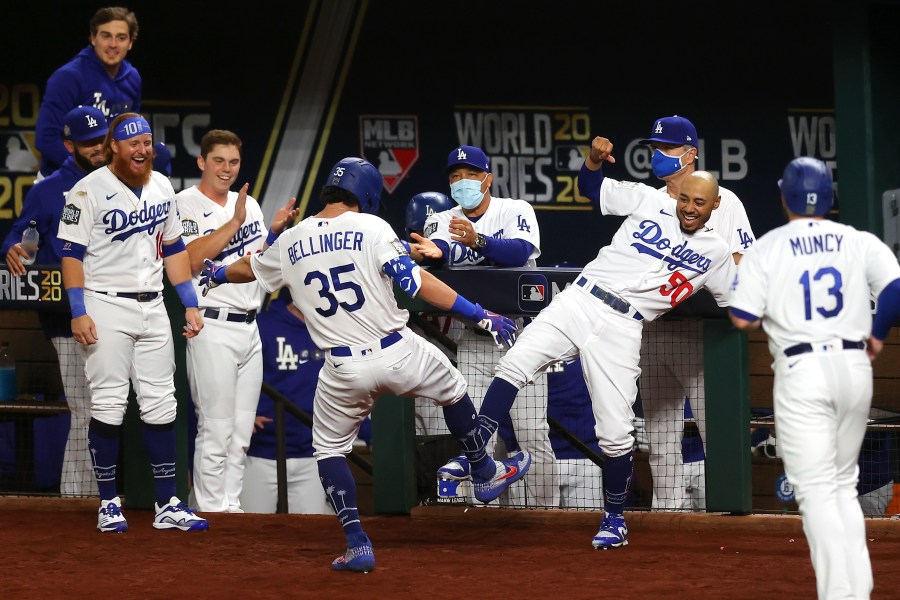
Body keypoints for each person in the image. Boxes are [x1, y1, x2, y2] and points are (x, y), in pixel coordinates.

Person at [199, 156, 529, 572]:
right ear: (367, 193)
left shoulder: (291, 239)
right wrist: (482, 314)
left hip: (341, 369)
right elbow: (417, 283)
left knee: (329, 450)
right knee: (455, 390)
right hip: (398, 352)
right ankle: (483, 470)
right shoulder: (372, 227)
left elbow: (250, 267)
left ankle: (357, 543)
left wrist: (217, 274)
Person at [460, 134, 735, 549]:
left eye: (700, 202)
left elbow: (741, 303)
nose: (689, 208)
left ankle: (614, 519)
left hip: (624, 326)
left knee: (616, 432)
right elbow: (591, 187)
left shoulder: (717, 253)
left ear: (715, 205)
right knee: (513, 364)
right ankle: (479, 458)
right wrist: (593, 161)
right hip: (581, 297)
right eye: (685, 200)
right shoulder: (647, 200)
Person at [729, 156, 900, 599]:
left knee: (817, 493)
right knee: (842, 485)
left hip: (803, 372)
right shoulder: (859, 240)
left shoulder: (768, 247)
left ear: (784, 196)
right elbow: (896, 289)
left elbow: (742, 317)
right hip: (854, 369)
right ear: (830, 197)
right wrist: (878, 336)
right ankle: (856, 591)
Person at [57, 112, 208, 533]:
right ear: (114, 149)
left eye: (147, 142)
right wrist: (78, 310)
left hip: (154, 304)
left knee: (162, 404)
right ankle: (108, 503)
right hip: (105, 304)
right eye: (133, 144)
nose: (142, 150)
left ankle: (168, 504)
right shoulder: (86, 191)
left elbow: (175, 247)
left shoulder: (162, 186)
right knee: (108, 404)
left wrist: (190, 303)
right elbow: (70, 255)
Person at [411, 145, 559, 508]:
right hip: (474, 340)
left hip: (522, 338)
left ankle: (548, 516)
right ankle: (472, 517)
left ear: (487, 178)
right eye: (455, 176)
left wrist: (477, 239)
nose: (462, 182)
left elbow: (519, 251)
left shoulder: (515, 209)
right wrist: (438, 251)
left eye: (471, 174)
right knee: (471, 438)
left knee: (532, 434)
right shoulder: (443, 218)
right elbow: (442, 247)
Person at [635, 115, 755, 511]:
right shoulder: (650, 202)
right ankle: (667, 520)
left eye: (667, 149)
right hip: (655, 331)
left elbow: (741, 262)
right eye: (655, 149)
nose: (659, 156)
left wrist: (689, 278)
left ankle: (728, 517)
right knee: (660, 442)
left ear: (690, 154)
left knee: (716, 434)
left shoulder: (724, 200)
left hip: (706, 335)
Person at [175, 129, 297, 513]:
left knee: (241, 433)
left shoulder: (251, 206)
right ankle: (210, 509)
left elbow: (256, 261)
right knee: (216, 428)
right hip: (210, 324)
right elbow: (190, 260)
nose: (226, 169)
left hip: (249, 325)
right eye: (219, 161)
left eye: (234, 162)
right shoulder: (185, 204)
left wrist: (274, 231)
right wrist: (233, 221)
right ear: (201, 162)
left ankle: (230, 509)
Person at [2, 106, 109, 497]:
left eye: (102, 140)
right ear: (69, 145)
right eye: (89, 143)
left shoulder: (122, 183)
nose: (98, 148)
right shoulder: (48, 192)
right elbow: (26, 238)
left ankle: (107, 495)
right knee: (87, 411)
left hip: (120, 309)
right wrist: (20, 250)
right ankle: (77, 499)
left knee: (111, 410)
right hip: (67, 317)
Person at [239, 288, 333, 514]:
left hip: (312, 454)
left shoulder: (333, 330)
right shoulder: (262, 325)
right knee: (251, 534)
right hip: (260, 452)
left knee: (311, 535)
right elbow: (234, 374)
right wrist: (242, 414)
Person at [35, 7, 141, 178]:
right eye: (106, 36)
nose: (113, 44)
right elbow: (46, 139)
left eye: (121, 38)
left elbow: (131, 135)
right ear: (93, 38)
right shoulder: (68, 77)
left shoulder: (133, 78)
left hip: (110, 180)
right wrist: (90, 175)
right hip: (63, 179)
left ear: (130, 43)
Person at [547, 357, 605, 509]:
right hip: (534, 458)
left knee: (587, 528)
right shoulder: (522, 344)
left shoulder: (587, 341)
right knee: (531, 529)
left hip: (585, 456)